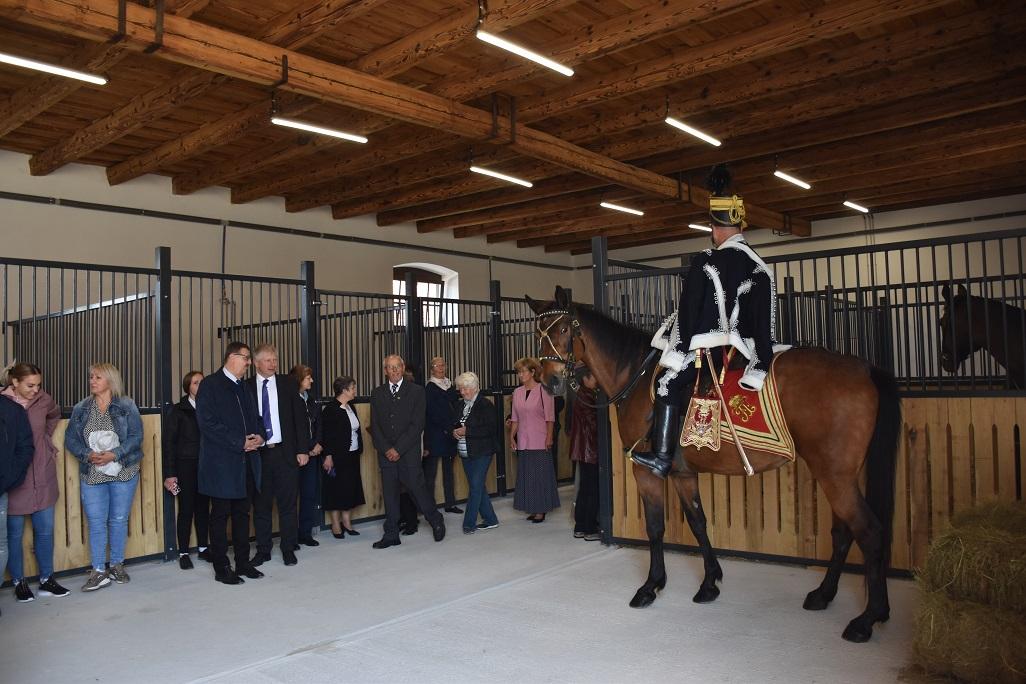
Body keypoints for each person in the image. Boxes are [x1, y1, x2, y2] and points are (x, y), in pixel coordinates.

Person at [634, 164, 779, 479]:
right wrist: (760, 354)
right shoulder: (759, 265)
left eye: (712, 229)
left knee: (667, 384)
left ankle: (660, 457)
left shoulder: (707, 260)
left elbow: (689, 311)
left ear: (716, 228)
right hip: (746, 348)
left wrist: (678, 350)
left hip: (710, 349)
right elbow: (762, 318)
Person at [63, 363, 144, 592]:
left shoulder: (126, 405)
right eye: (91, 377)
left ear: (110, 380)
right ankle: (99, 570)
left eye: (98, 377)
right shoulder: (81, 408)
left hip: (123, 471)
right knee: (97, 522)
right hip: (93, 473)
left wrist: (114, 454)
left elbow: (137, 436)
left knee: (118, 520)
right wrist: (87, 455)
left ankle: (117, 564)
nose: (92, 381)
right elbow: (70, 439)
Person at [196, 341, 265, 585]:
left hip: (246, 462)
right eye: (245, 358)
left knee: (242, 514)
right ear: (230, 357)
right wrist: (239, 442)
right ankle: (222, 567)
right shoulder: (210, 385)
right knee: (221, 515)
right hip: (221, 464)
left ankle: (243, 563)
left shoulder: (244, 388)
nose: (248, 363)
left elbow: (256, 417)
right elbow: (208, 423)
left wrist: (259, 436)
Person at [2, 364, 68, 600]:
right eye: (30, 385)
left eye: (38, 385)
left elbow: (54, 413)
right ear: (15, 383)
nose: (35, 389)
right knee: (14, 535)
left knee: (45, 531)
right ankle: (19, 582)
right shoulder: (4, 404)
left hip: (42, 472)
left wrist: (46, 440)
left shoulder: (44, 400)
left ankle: (46, 579)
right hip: (15, 477)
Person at [369, 354, 445, 548]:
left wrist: (398, 449)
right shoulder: (377, 393)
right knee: (390, 494)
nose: (394, 371)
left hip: (408, 453)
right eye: (390, 367)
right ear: (385, 371)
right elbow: (375, 426)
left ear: (402, 368)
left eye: (397, 367)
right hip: (386, 455)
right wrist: (387, 449)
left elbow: (417, 424)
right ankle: (391, 534)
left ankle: (436, 520)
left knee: (418, 490)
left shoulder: (417, 391)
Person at [245, 344, 308, 567]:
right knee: (261, 505)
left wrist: (302, 449)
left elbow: (299, 418)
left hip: (285, 453)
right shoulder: (246, 387)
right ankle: (263, 550)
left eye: (275, 360)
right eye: (268, 360)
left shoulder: (288, 384)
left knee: (288, 504)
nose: (273, 364)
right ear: (256, 363)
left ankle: (288, 548)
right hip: (259, 455)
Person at [163, 370, 210, 570]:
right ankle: (183, 551)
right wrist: (170, 473)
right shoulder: (178, 411)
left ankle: (203, 548)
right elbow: (169, 444)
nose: (200, 386)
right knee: (186, 509)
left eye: (202, 382)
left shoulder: (209, 407)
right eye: (195, 383)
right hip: (185, 465)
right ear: (187, 387)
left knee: (203, 507)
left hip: (206, 464)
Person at [510, 357, 560, 523]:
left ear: (532, 372)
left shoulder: (544, 390)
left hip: (540, 439)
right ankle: (531, 507)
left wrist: (549, 437)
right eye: (518, 372)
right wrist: (512, 437)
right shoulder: (517, 392)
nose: (520, 374)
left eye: (523, 371)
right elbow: (515, 418)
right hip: (523, 440)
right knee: (527, 476)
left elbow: (550, 417)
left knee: (540, 476)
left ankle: (541, 510)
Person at [450, 372, 499, 534]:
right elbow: (454, 424)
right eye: (461, 389)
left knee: (476, 487)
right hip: (465, 452)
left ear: (475, 388)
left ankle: (469, 523)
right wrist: (455, 432)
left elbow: (491, 429)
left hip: (482, 451)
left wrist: (467, 431)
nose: (462, 392)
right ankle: (491, 519)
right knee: (477, 486)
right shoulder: (459, 405)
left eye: (465, 389)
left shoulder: (485, 405)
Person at [0, 382, 34, 614]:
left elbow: (25, 447)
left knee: (0, 544)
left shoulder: (11, 410)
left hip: (0, 486)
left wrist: (9, 478)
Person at [320, 376, 365, 538]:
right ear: (344, 390)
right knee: (335, 490)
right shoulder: (331, 409)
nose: (355, 391)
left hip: (352, 454)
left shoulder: (350, 406)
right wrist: (328, 456)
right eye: (353, 388)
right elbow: (327, 435)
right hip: (337, 456)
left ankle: (347, 522)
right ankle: (336, 524)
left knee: (350, 488)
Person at [291, 364, 323, 548]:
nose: (311, 380)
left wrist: (317, 444)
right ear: (298, 380)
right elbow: (293, 430)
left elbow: (319, 425)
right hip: (296, 455)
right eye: (307, 377)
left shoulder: (311, 400)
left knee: (309, 494)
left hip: (313, 454)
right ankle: (291, 535)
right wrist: (306, 447)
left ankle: (305, 533)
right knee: (291, 497)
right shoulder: (290, 400)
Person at [425, 356, 461, 514]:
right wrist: (447, 427)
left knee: (449, 470)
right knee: (431, 472)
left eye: (443, 365)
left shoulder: (450, 385)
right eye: (437, 365)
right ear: (432, 368)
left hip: (450, 433)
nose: (441, 368)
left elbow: (455, 404)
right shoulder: (430, 388)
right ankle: (429, 506)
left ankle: (450, 503)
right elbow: (432, 412)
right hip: (435, 434)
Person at [569, 373, 601, 541]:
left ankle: (580, 526)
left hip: (582, 450)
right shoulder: (588, 397)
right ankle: (590, 528)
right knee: (593, 489)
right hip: (590, 450)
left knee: (584, 488)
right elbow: (594, 425)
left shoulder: (581, 395)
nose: (596, 379)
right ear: (586, 379)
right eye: (593, 377)